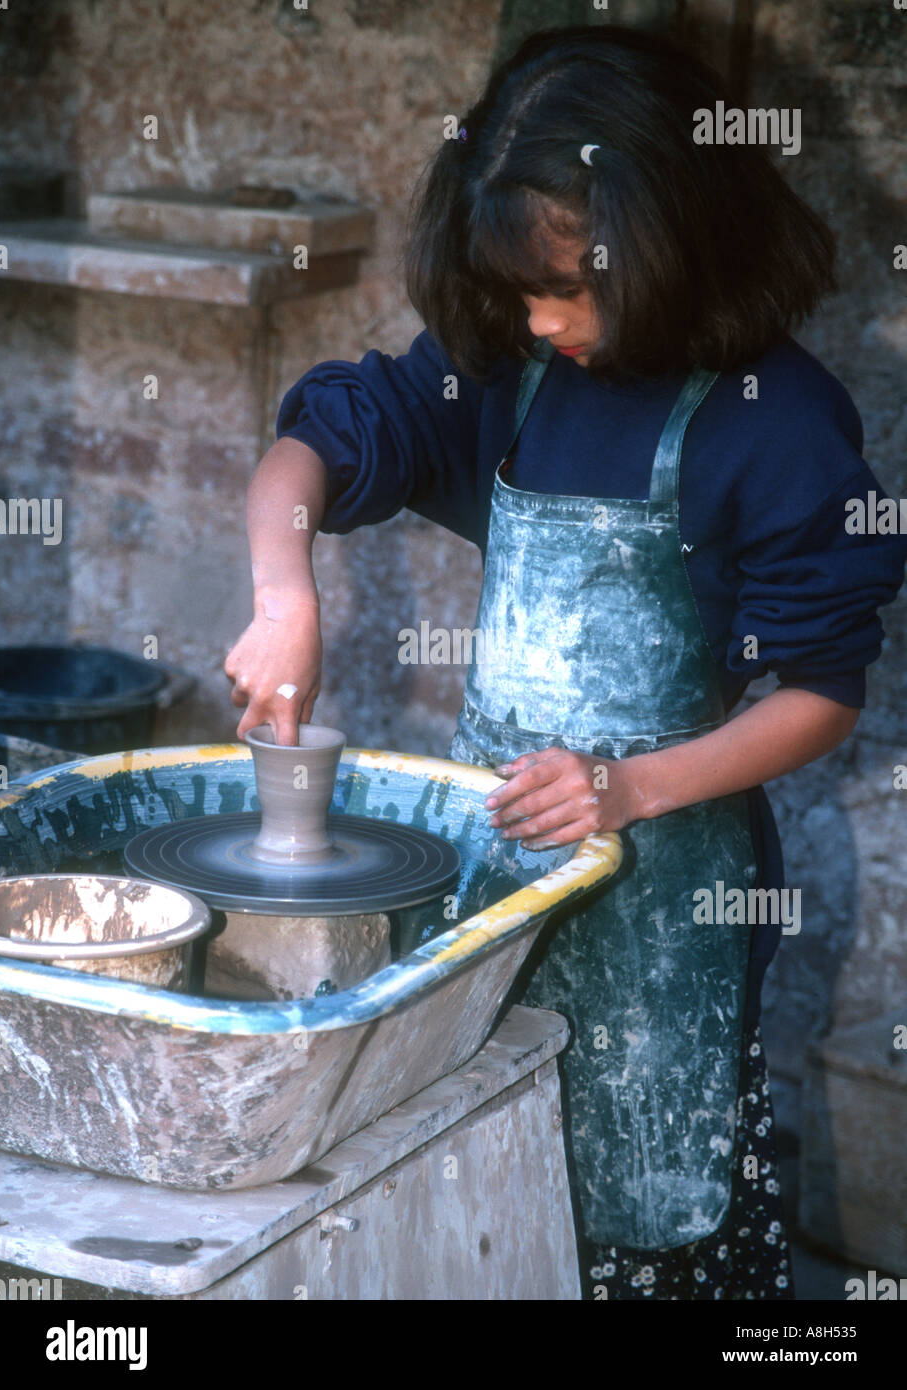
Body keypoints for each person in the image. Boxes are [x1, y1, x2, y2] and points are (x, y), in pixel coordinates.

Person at [225, 24, 907, 1299]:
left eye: (567, 288)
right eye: (516, 292)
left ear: (672, 240)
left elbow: (822, 694)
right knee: (493, 1183)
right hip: (500, 876)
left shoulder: (781, 423)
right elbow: (315, 444)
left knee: (655, 1208)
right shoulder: (512, 371)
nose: (540, 321)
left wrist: (628, 787)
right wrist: (284, 592)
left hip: (671, 894)